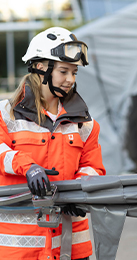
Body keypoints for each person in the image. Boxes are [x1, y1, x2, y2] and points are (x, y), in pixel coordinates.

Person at [0, 27, 106, 260]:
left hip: (71, 247)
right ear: (40, 67)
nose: (71, 80)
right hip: (19, 249)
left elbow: (93, 167)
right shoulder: (5, 114)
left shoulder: (86, 125)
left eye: (74, 72)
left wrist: (79, 190)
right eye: (63, 71)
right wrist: (28, 167)